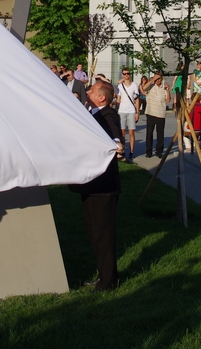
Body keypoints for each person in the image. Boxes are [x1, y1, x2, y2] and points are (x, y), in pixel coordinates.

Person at [68, 80, 123, 291]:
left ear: (102, 97)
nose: (87, 90)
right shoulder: (92, 113)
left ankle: (108, 282)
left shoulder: (108, 115)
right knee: (94, 233)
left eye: (91, 89)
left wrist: (117, 143)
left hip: (103, 187)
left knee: (103, 235)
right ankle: (104, 276)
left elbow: (114, 133)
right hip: (92, 186)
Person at [141, 69, 170, 158]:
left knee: (160, 134)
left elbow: (168, 100)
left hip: (160, 113)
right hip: (150, 112)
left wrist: (167, 90)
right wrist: (152, 80)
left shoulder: (164, 87)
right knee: (149, 133)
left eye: (159, 79)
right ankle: (148, 152)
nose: (158, 81)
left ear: (161, 79)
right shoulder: (151, 86)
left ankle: (159, 152)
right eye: (156, 79)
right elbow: (144, 88)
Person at [114, 68, 140, 161]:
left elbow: (137, 99)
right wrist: (115, 109)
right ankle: (123, 150)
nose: (126, 75)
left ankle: (132, 151)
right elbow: (118, 99)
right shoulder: (120, 86)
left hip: (131, 110)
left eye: (128, 74)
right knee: (122, 132)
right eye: (124, 74)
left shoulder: (134, 85)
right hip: (122, 110)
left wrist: (137, 112)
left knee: (131, 132)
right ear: (122, 75)